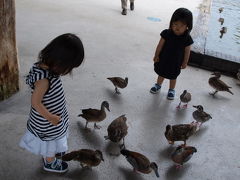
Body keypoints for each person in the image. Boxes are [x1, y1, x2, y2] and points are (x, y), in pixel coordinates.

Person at [19, 33, 84, 173]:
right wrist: (50, 117)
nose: (69, 71)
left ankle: (52, 154)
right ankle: (49, 162)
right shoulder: (43, 80)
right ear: (60, 63)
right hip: (48, 122)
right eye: (69, 67)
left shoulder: (46, 69)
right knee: (51, 142)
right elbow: (35, 102)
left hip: (53, 115)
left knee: (54, 140)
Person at [150, 8, 193, 100]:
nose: (177, 27)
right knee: (161, 73)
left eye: (181, 25)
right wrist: (156, 55)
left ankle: (171, 89)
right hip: (163, 59)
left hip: (176, 62)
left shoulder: (187, 39)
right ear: (171, 23)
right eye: (175, 24)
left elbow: (187, 52)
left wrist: (185, 62)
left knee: (173, 76)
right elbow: (160, 46)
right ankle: (158, 85)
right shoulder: (166, 33)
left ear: (187, 27)